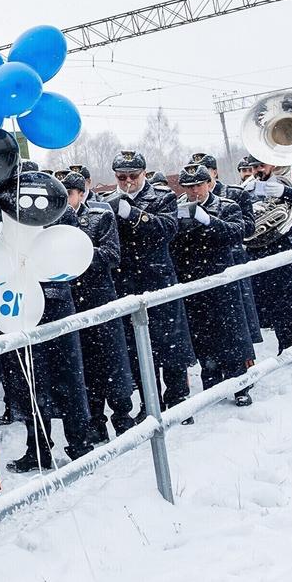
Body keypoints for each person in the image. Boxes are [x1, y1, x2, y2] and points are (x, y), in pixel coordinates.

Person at [0, 203, 99, 472]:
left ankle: (80, 444)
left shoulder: (57, 208)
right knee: (29, 381)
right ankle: (38, 448)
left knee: (68, 378)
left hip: (56, 304)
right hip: (20, 301)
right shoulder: (6, 211)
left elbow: (69, 251)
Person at [103, 150, 197, 412]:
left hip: (158, 278)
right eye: (121, 177)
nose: (128, 181)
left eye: (133, 175)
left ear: (144, 173)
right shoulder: (107, 202)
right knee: (138, 348)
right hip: (126, 282)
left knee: (171, 343)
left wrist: (133, 214)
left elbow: (167, 229)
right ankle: (150, 402)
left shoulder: (162, 196)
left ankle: (178, 399)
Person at [169, 164, 257, 410]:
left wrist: (209, 221)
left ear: (209, 184)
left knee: (231, 334)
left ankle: (240, 385)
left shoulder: (226, 205)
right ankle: (212, 382)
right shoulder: (177, 209)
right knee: (202, 336)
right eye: (189, 187)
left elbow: (237, 232)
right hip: (192, 281)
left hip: (221, 280)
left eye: (199, 185)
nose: (194, 191)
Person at [62, 171, 136, 439]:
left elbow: (112, 255)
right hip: (73, 301)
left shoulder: (100, 215)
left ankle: (122, 417)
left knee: (113, 361)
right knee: (85, 365)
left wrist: (79, 252)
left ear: (81, 194)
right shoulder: (53, 223)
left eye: (69, 194)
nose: (64, 200)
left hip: (99, 299)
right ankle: (95, 422)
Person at [246, 158, 292, 359]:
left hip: (289, 251)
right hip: (261, 252)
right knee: (276, 304)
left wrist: (284, 192)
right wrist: (249, 202)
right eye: (254, 167)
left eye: (261, 166)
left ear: (272, 164)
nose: (257, 170)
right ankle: (285, 345)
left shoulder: (291, 185)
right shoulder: (248, 189)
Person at [195, 152, 264, 347]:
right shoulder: (186, 199)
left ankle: (246, 353)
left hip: (233, 257)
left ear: (214, 172)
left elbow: (248, 227)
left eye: (205, 170)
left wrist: (217, 224)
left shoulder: (234, 194)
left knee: (240, 311)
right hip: (204, 262)